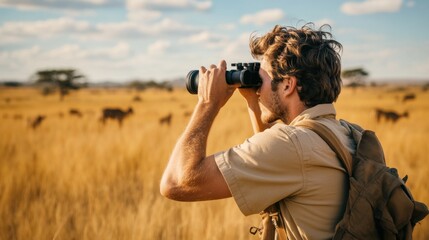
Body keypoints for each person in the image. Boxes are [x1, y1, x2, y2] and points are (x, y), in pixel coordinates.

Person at [160, 23, 355, 239]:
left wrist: (207, 103)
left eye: (261, 80)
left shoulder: (293, 145)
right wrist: (254, 102)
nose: (258, 88)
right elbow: (277, 163)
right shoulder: (344, 133)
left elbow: (175, 183)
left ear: (288, 85)